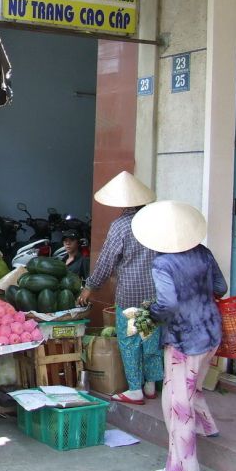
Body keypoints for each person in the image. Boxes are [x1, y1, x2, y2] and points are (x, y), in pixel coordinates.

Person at [131, 201, 226, 471]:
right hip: (211, 332)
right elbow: (221, 287)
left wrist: (150, 313)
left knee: (177, 403)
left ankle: (184, 468)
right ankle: (208, 427)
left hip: (184, 340)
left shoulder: (163, 263)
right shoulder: (204, 253)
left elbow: (167, 304)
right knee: (192, 386)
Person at [77, 171, 162, 404]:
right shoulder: (156, 221)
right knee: (150, 337)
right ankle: (151, 384)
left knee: (131, 339)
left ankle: (134, 388)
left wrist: (90, 287)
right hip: (156, 293)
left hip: (131, 293)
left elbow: (106, 261)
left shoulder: (121, 225)